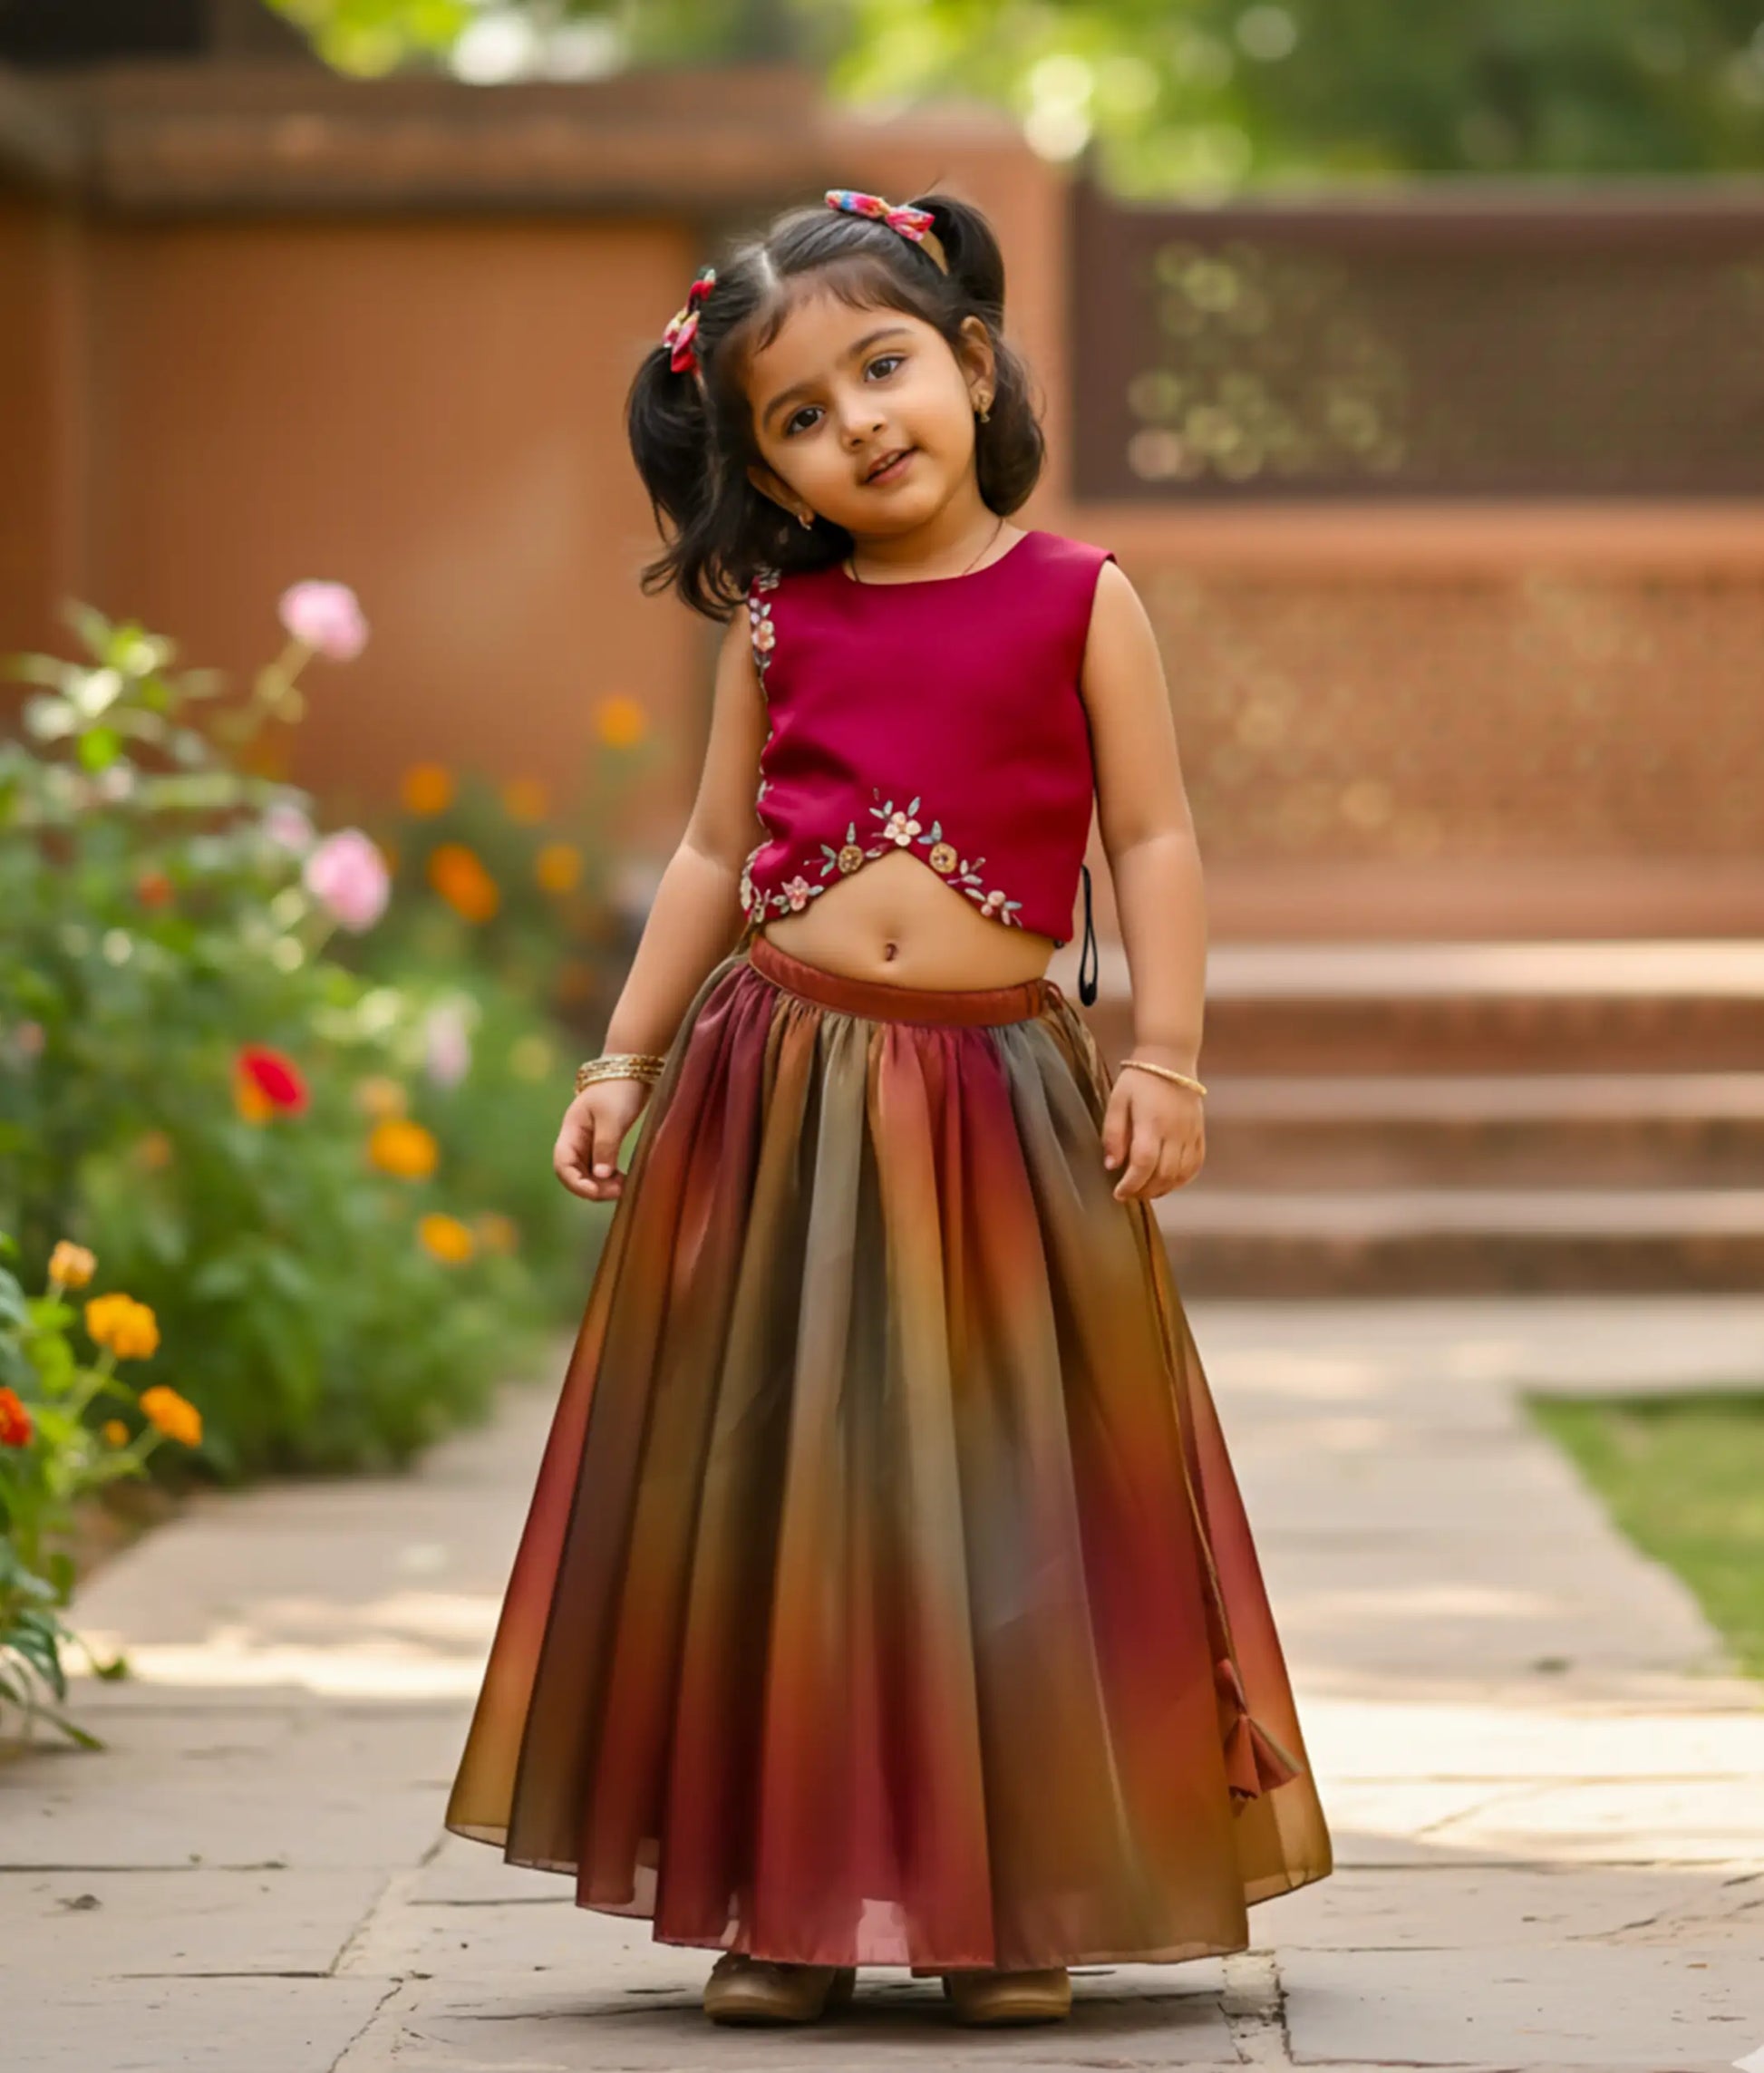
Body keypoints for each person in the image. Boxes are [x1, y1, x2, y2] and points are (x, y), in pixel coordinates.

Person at [444, 184, 1332, 2031]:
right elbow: (706, 852)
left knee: (1011, 1493)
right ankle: (777, 1899)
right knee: (779, 1485)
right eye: (797, 413)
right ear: (769, 472)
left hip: (1002, 1100)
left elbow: (1154, 836)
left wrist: (1163, 1051)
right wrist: (622, 1052)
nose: (856, 417)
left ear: (971, 364)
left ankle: (1008, 1904)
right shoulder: (776, 628)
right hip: (776, 1091)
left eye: (881, 366)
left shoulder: (1080, 600)